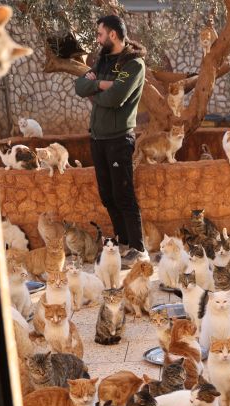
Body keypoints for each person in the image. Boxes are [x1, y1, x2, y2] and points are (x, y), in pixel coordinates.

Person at [74, 14, 147, 261]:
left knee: (123, 194)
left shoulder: (133, 64)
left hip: (118, 140)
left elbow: (116, 99)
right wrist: (104, 84)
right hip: (98, 139)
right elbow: (79, 86)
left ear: (113, 35)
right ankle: (123, 242)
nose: (98, 38)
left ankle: (138, 249)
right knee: (107, 195)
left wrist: (97, 89)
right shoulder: (103, 61)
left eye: (100, 34)